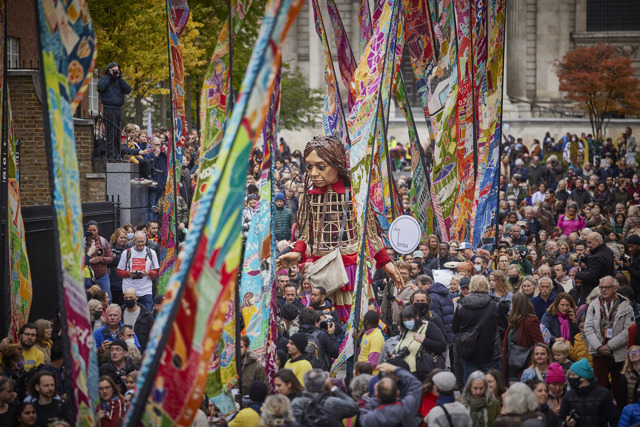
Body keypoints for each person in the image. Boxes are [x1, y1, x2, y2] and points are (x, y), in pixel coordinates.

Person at [277, 136, 403, 324]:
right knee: (322, 321)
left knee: (355, 321)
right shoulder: (308, 197)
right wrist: (297, 253)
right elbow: (305, 235)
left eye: (321, 167)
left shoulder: (355, 195)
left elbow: (371, 233)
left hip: (350, 269)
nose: (313, 173)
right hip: (322, 270)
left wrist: (386, 262)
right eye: (309, 166)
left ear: (337, 164)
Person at [584, 276, 634, 398]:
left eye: (607, 287)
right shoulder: (594, 305)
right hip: (598, 353)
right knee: (600, 388)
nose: (604, 290)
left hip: (617, 354)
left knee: (618, 388)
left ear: (615, 288)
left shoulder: (625, 305)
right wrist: (599, 346)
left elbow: (629, 330)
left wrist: (610, 346)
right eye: (601, 287)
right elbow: (588, 329)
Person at [453, 275, 507, 384]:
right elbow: (504, 325)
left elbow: (455, 328)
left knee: (472, 384)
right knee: (493, 385)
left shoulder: (461, 305)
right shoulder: (495, 304)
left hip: (469, 350)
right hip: (490, 351)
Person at [559, 358, 619, 427]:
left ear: (582, 378)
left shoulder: (604, 394)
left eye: (573, 375)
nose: (570, 377)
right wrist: (566, 424)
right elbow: (560, 419)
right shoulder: (569, 395)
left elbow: (614, 419)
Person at [394, 305, 446, 380]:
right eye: (404, 320)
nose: (407, 322)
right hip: (403, 373)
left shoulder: (428, 327)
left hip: (421, 374)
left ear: (417, 316)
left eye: (409, 319)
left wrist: (423, 340)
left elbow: (442, 346)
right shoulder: (405, 330)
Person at [290, 369, 359, 424]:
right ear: (325, 384)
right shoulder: (331, 402)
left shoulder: (297, 402)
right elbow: (354, 407)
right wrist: (333, 388)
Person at [502, 292, 545, 381]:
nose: (511, 305)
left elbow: (540, 344)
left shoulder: (530, 321)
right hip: (511, 365)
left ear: (517, 305)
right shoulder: (513, 321)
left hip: (524, 366)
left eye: (512, 302)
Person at [116, 231, 160, 311]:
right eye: (138, 242)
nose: (140, 244)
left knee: (147, 316)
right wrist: (129, 273)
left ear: (145, 241)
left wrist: (148, 272)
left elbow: (156, 272)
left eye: (142, 241)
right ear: (134, 241)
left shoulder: (151, 253)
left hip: (146, 291)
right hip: (129, 290)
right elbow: (119, 271)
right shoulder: (126, 253)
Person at [98, 62, 132, 159]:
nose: (116, 71)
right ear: (109, 70)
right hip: (108, 108)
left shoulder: (119, 81)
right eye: (114, 70)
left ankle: (117, 154)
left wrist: (119, 77)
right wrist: (109, 76)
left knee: (117, 133)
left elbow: (128, 89)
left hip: (118, 109)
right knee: (110, 133)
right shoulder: (104, 79)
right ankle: (111, 155)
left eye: (117, 70)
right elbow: (101, 87)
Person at [574, 232, 615, 303]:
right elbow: (600, 264)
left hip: (594, 294)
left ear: (598, 241)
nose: (588, 245)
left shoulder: (596, 257)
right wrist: (586, 259)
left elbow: (591, 276)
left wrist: (578, 274)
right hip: (606, 290)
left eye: (590, 242)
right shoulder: (608, 251)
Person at [85, 220, 115, 301]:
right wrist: (90, 261)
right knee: (90, 300)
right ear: (87, 230)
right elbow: (79, 260)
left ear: (98, 229)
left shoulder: (103, 241)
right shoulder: (83, 242)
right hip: (88, 277)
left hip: (102, 276)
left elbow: (110, 258)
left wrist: (102, 259)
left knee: (107, 298)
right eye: (90, 230)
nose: (92, 232)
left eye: (94, 230)